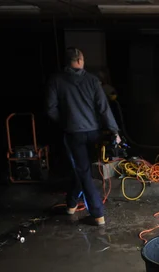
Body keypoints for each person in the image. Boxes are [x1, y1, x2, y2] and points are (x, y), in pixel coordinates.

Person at [46, 48, 121, 226]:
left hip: (74, 134)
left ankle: (97, 214)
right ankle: (71, 205)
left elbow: (50, 109)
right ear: (81, 60)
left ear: (67, 61)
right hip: (94, 133)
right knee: (82, 170)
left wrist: (66, 122)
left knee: (83, 171)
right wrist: (115, 132)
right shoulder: (93, 81)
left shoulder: (56, 81)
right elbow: (104, 109)